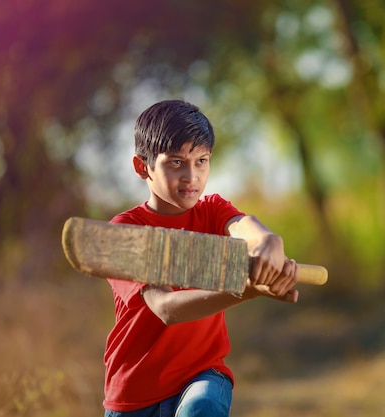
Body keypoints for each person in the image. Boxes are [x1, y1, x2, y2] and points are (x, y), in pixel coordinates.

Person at [103, 99, 299, 417]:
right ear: (143, 167)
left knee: (202, 406)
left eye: (202, 161)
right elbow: (166, 309)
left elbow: (245, 229)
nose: (191, 176)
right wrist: (248, 288)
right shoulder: (127, 230)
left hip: (202, 376)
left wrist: (268, 242)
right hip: (133, 395)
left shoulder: (211, 212)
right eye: (176, 162)